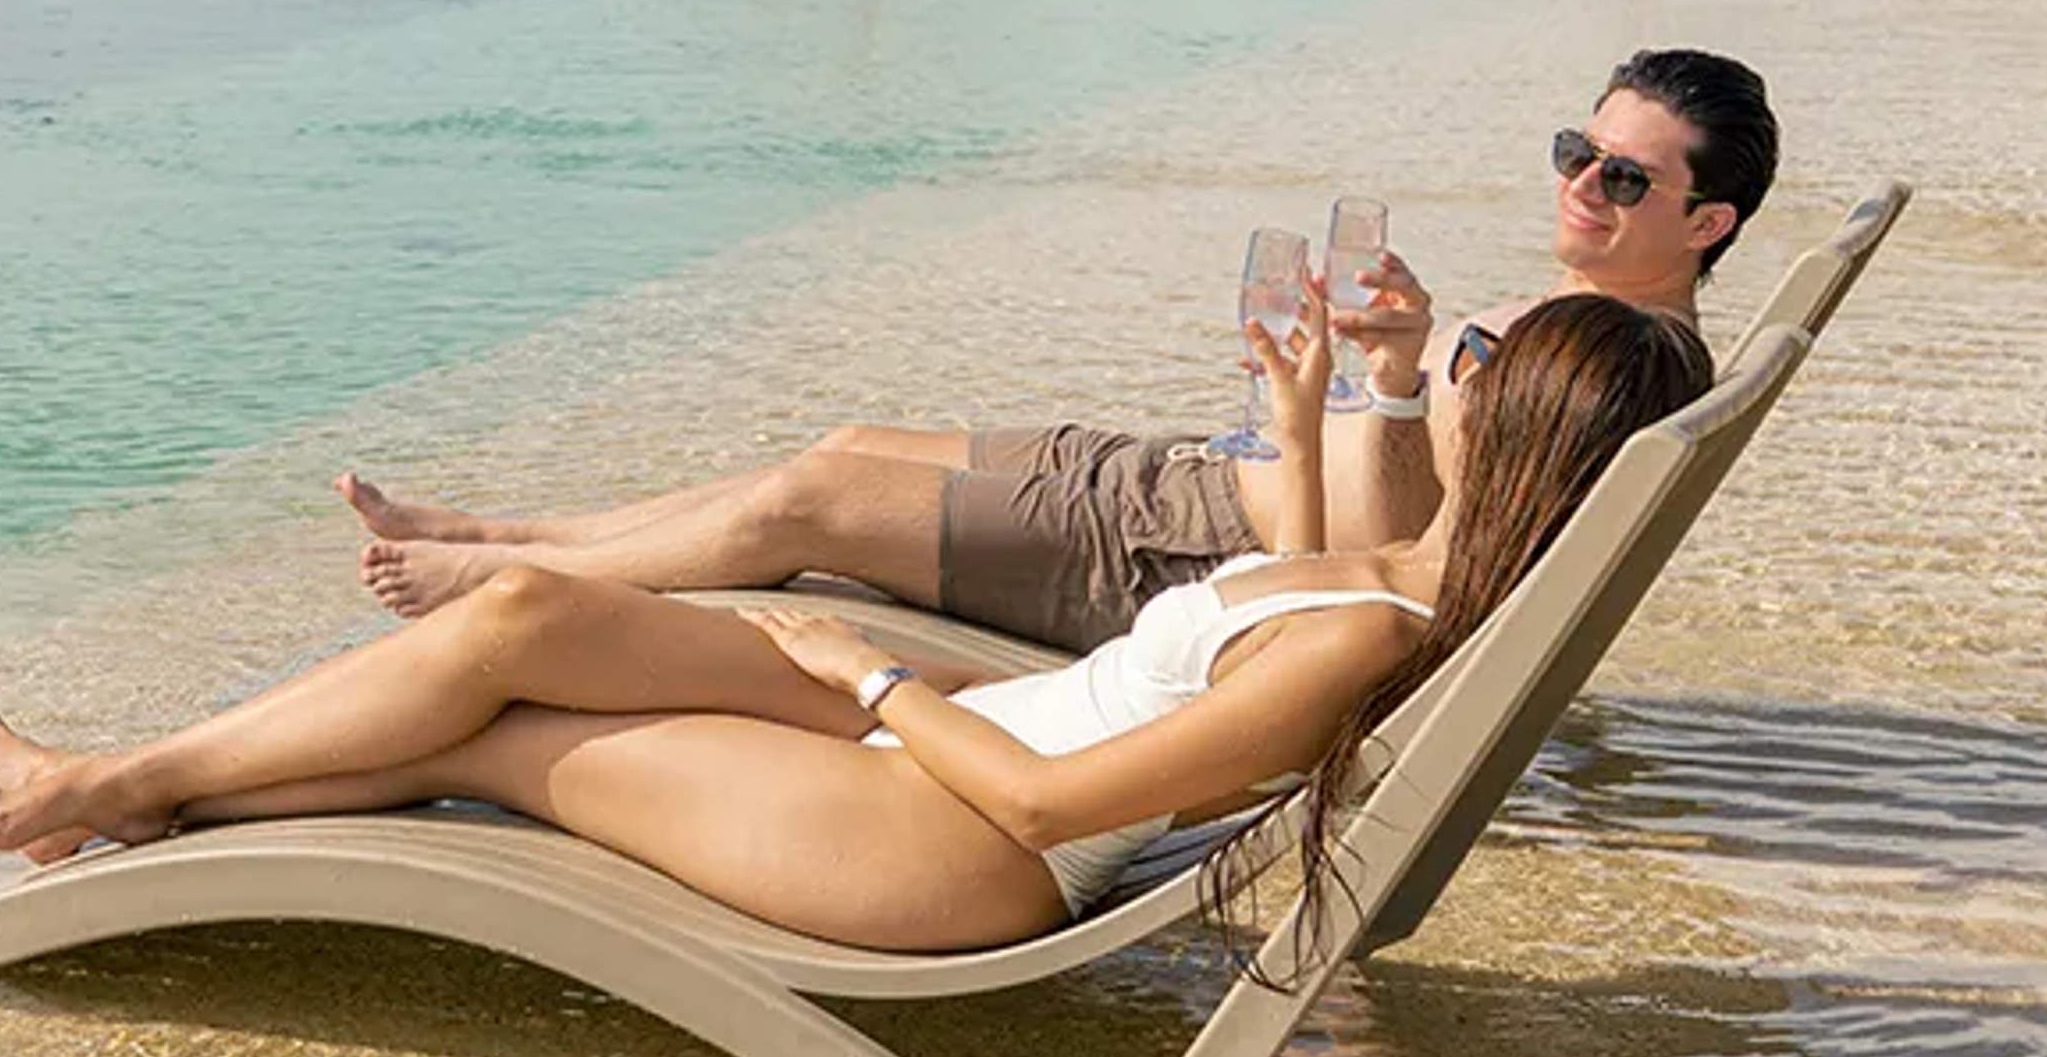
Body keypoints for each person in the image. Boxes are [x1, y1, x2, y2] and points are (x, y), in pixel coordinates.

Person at [0, 292, 1716, 952]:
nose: (1463, 369)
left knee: (495, 739)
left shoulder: (1373, 640)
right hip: (963, 735)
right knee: (527, 619)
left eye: (1487, 365)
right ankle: (139, 783)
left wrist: (853, 667)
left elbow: (1044, 816)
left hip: (953, 844)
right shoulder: (1409, 586)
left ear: (1529, 435)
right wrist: (1333, 392)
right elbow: (1298, 597)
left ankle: (106, 792)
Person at [335, 47, 1778, 655]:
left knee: (802, 515)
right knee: (839, 450)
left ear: (1708, 219)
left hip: (1175, 556)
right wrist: (1350, 381)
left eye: (1625, 179)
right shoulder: (1609, 340)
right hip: (1181, 481)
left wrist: (1382, 382)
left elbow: (1402, 570)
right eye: (1576, 152)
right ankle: (506, 526)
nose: (1581, 187)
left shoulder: (1605, 380)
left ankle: (497, 582)